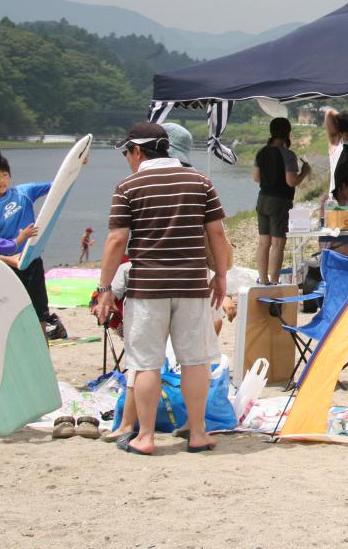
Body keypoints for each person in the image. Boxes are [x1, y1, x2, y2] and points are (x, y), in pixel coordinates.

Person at [94, 122, 230, 455]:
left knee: (146, 363)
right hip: (192, 285)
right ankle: (197, 434)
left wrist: (105, 287)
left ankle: (146, 437)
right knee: (195, 361)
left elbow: (115, 240)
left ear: (138, 150)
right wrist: (221, 275)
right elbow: (216, 234)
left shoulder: (128, 186)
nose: (127, 158)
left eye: (127, 152)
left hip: (147, 289)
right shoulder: (201, 182)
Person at [0, 146, 67, 339]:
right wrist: (16, 246)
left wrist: (75, 166)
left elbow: (58, 185)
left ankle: (42, 351)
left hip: (31, 262)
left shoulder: (24, 192)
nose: (1, 181)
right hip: (5, 267)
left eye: (4, 175)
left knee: (39, 312)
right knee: (10, 313)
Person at [254, 117, 311, 283]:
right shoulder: (288, 155)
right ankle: (274, 281)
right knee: (278, 243)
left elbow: (256, 178)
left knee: (263, 243)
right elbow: (291, 181)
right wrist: (305, 172)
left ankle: (263, 280)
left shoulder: (262, 152)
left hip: (262, 199)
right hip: (279, 201)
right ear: (288, 133)